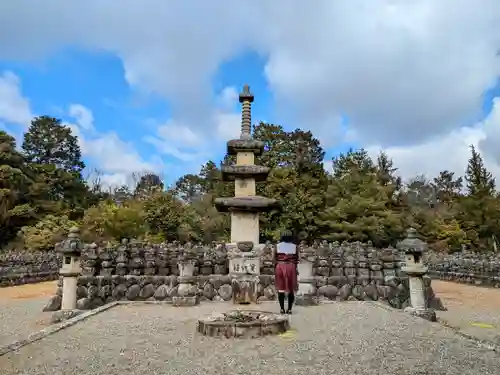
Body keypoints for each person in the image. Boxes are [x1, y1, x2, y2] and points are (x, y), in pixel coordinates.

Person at [274, 230, 299, 314]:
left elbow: (274, 258)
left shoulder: (277, 246)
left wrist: (276, 267)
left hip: (280, 266)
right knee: (291, 288)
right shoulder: (295, 246)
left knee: (281, 288)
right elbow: (296, 259)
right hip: (291, 267)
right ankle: (289, 309)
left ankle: (282, 309)